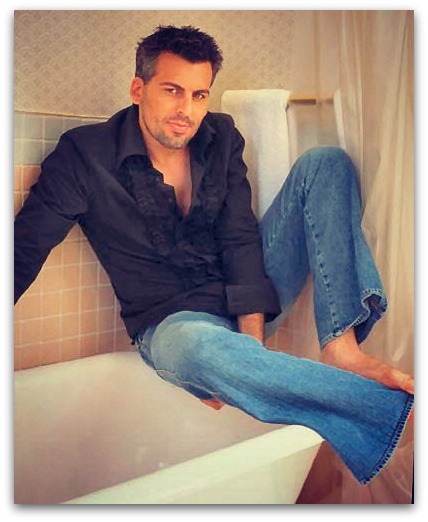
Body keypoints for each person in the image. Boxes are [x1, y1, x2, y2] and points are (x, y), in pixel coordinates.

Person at [14, 25, 414, 485]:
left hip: (243, 304)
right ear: (138, 89)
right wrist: (232, 364)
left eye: (199, 95)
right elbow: (24, 249)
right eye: (172, 91)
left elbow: (240, 237)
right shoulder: (84, 154)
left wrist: (249, 347)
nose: (187, 111)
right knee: (201, 347)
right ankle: (393, 412)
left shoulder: (220, 136)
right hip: (173, 326)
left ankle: (341, 346)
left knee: (325, 163)